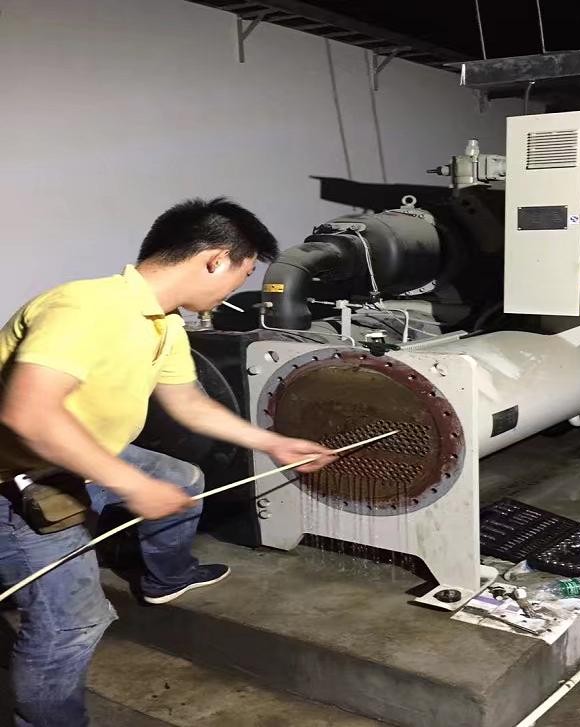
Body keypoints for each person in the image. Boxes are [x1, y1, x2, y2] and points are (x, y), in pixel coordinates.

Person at [0, 197, 337, 726]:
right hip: (17, 480)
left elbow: (188, 403)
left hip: (81, 453)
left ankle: (167, 577)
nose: (236, 289)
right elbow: (28, 413)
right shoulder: (86, 308)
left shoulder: (162, 322)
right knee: (72, 624)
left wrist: (273, 443)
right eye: (244, 273)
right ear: (216, 260)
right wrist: (129, 483)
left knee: (181, 477)